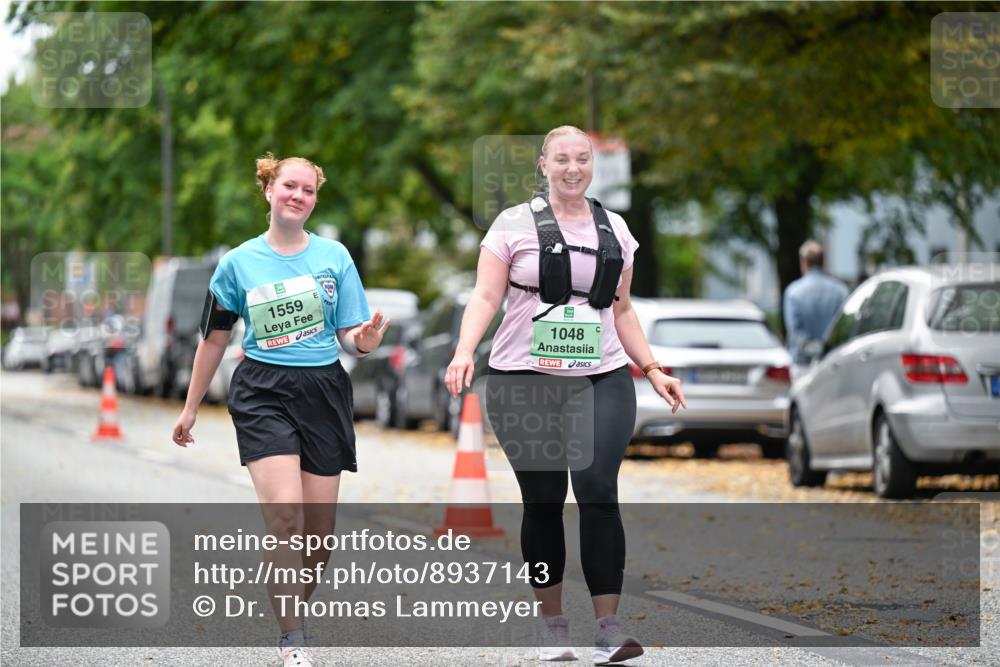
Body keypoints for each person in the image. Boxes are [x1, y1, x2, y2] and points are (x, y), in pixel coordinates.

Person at [445, 126, 686, 665]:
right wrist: (464, 351)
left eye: (582, 159)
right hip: (523, 379)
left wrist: (651, 367)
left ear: (591, 164)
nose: (573, 168)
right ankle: (554, 625)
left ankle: (608, 626)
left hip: (601, 376)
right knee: (545, 501)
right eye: (562, 159)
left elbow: (621, 308)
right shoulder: (512, 225)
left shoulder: (616, 229)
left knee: (598, 488)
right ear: (544, 164)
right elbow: (486, 295)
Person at [171, 153, 389, 667]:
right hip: (263, 390)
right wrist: (190, 408)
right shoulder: (237, 264)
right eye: (289, 186)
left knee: (318, 541)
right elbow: (214, 340)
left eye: (308, 191)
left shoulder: (335, 257)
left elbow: (352, 338)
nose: (298, 196)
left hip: (323, 391)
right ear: (268, 190)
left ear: (314, 200)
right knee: (286, 516)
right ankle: (294, 641)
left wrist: (368, 339)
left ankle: (287, 601)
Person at [783, 240, 849, 378]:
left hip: (803, 365)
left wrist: (812, 349)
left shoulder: (793, 292)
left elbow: (795, 331)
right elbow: (844, 328)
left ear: (804, 263)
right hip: (833, 363)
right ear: (823, 262)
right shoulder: (841, 291)